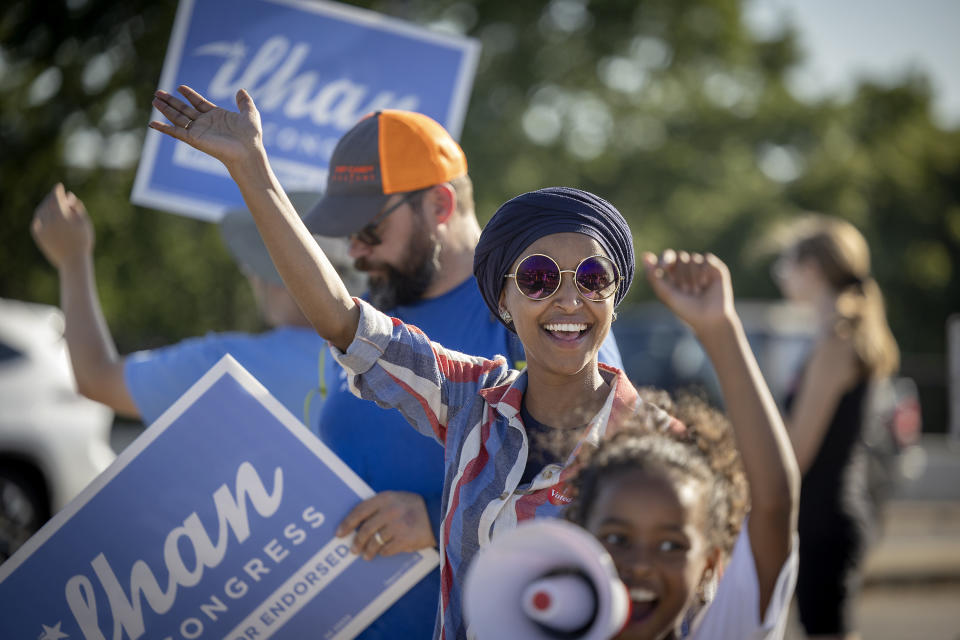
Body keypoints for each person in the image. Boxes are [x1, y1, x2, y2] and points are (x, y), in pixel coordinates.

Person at [147, 85, 794, 640]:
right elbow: (342, 319)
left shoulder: (656, 446)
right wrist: (252, 170)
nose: (569, 298)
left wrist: (721, 329)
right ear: (504, 302)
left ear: (614, 300)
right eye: (539, 278)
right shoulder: (469, 401)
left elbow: (767, 522)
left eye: (593, 277)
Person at [564, 249, 801, 640]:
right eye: (618, 539)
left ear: (710, 562)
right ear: (580, 540)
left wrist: (718, 327)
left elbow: (774, 502)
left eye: (672, 545)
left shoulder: (724, 630)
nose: (640, 565)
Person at [30, 185, 363, 426]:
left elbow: (97, 378)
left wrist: (73, 259)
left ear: (274, 273)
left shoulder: (228, 367)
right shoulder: (396, 354)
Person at [770, 215, 900, 640]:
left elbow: (797, 451)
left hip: (823, 520)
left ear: (812, 269)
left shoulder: (836, 341)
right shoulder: (842, 334)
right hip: (827, 514)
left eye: (785, 263)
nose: (779, 274)